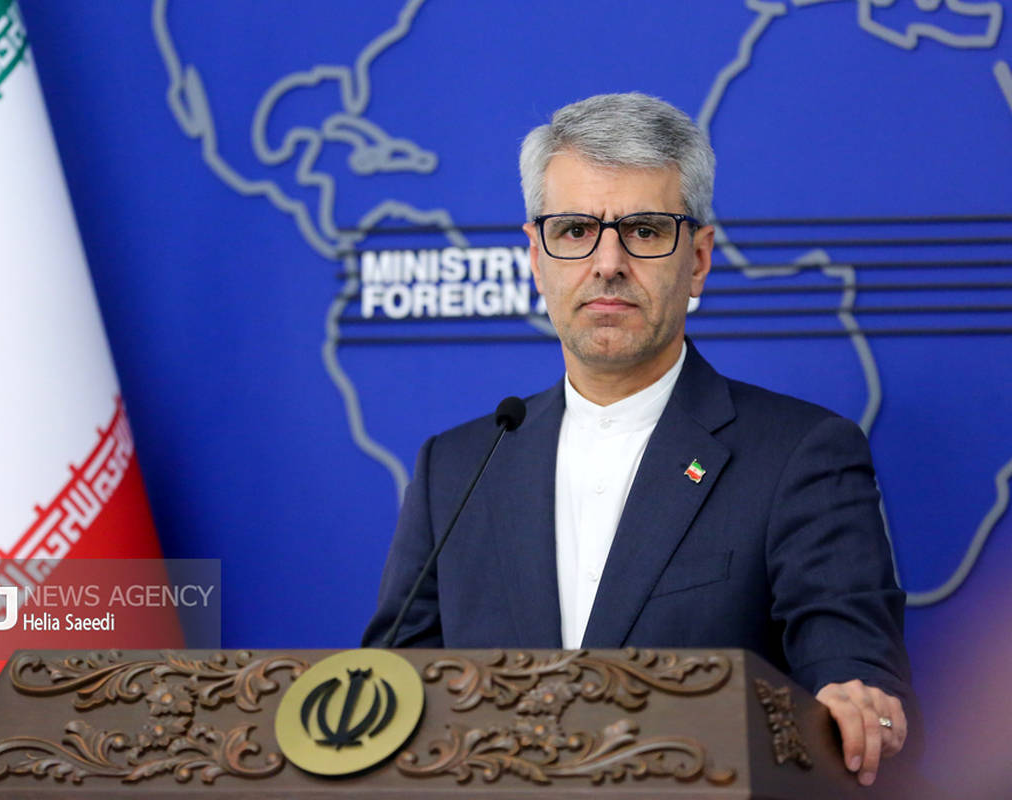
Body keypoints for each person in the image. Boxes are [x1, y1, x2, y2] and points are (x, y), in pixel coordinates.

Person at [362, 93, 914, 787]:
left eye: (645, 230)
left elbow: (851, 667)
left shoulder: (800, 455)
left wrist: (857, 705)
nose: (608, 262)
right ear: (535, 256)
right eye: (574, 230)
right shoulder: (457, 468)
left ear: (699, 259)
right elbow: (387, 696)